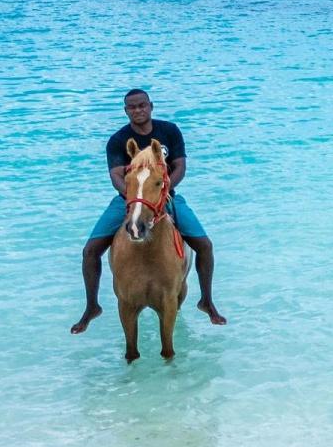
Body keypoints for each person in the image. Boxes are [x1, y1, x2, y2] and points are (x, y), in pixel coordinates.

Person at [69, 89, 226, 335]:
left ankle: (206, 300)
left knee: (204, 244)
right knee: (90, 251)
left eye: (142, 105)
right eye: (132, 107)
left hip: (165, 196)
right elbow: (116, 176)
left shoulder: (169, 131)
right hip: (128, 199)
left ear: (151, 106)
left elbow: (180, 166)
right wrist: (134, 199)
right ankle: (92, 306)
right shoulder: (118, 140)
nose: (138, 110)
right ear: (125, 111)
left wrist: (163, 191)